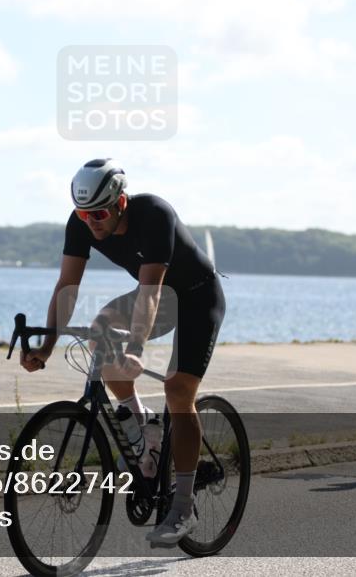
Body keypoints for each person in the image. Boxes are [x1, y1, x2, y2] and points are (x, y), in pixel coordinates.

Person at [21, 159, 225, 547]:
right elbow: (67, 285)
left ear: (120, 203)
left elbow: (150, 293)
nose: (92, 222)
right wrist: (46, 345)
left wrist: (135, 347)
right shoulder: (81, 224)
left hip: (197, 297)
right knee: (99, 329)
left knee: (178, 392)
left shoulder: (154, 215)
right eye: (84, 214)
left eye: (99, 213)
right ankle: (144, 432)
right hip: (161, 297)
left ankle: (182, 508)